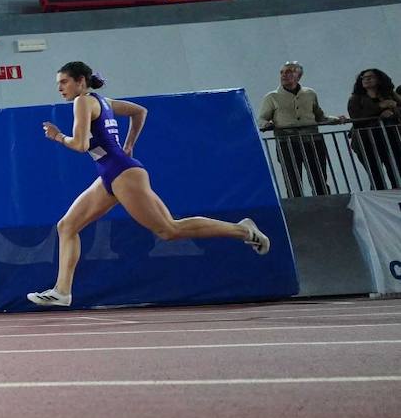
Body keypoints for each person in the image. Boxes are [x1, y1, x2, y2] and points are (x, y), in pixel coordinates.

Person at [26, 61, 269, 308]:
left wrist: (58, 136)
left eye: (64, 82)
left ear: (80, 81)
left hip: (122, 173)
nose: (60, 88)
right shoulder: (104, 102)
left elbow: (79, 145)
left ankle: (243, 230)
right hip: (112, 173)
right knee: (67, 226)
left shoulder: (83, 101)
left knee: (169, 230)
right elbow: (139, 111)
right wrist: (129, 144)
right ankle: (62, 291)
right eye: (58, 84)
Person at [258, 61, 339, 197]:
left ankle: (324, 202)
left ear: (298, 76)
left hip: (312, 140)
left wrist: (335, 120)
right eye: (282, 72)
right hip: (288, 142)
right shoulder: (272, 97)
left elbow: (319, 116)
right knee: (292, 179)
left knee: (319, 176)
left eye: (289, 72)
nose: (284, 75)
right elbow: (262, 119)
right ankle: (297, 205)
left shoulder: (310, 94)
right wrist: (266, 124)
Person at [347, 67, 401, 190]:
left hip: (391, 138)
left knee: (396, 171)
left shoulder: (389, 95)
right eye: (364, 78)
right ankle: (379, 202)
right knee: (375, 174)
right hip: (366, 141)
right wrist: (380, 109)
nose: (366, 80)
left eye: (370, 77)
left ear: (379, 79)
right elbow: (356, 118)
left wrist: (393, 111)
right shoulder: (356, 98)